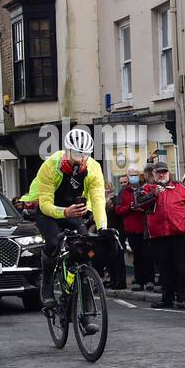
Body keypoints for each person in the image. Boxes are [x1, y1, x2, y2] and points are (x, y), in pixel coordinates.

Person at [31, 127, 108, 307]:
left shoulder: (93, 168)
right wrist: (64, 212)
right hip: (49, 212)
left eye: (85, 155)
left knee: (85, 249)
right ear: (67, 151)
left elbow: (98, 199)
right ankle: (47, 284)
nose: (81, 159)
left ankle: (87, 304)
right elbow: (45, 204)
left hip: (73, 211)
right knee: (53, 243)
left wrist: (102, 226)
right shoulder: (50, 165)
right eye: (76, 154)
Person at [137, 160, 185, 308]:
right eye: (159, 172)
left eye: (164, 172)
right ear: (153, 174)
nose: (162, 174)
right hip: (158, 235)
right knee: (164, 269)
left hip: (179, 234)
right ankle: (167, 298)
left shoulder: (180, 187)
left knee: (181, 267)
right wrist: (153, 194)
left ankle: (183, 298)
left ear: (168, 173)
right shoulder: (147, 188)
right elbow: (139, 203)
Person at [114, 163, 153, 291]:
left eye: (135, 175)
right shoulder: (123, 192)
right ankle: (139, 280)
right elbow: (118, 210)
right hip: (131, 229)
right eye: (131, 175)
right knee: (137, 257)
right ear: (128, 176)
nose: (133, 177)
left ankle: (149, 280)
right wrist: (129, 207)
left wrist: (143, 207)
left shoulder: (145, 188)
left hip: (145, 228)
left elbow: (152, 205)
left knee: (148, 255)